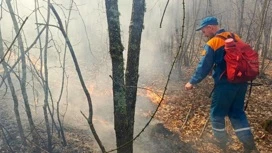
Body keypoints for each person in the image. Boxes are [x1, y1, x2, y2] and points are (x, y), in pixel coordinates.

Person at [184, 16, 258, 153]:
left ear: (211, 27)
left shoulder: (213, 43)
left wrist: (192, 82)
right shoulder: (235, 36)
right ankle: (249, 145)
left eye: (204, 30)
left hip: (225, 85)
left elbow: (204, 66)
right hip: (242, 83)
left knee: (217, 114)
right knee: (237, 114)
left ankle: (222, 143)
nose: (203, 33)